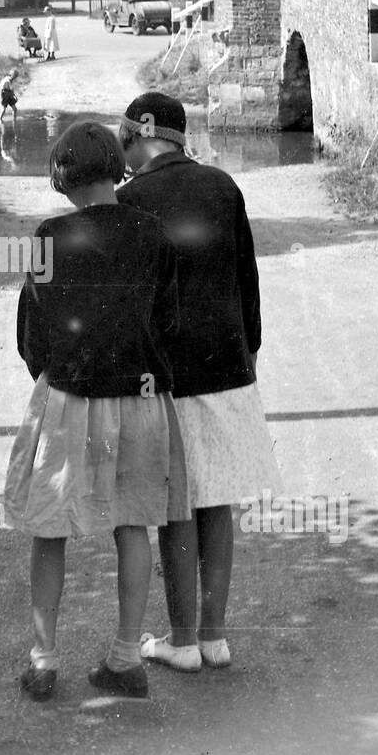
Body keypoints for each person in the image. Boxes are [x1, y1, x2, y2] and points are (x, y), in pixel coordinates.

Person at [4, 121, 189, 701]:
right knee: (134, 523)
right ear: (116, 165)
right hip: (140, 400)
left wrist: (54, 375)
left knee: (49, 528)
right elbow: (170, 321)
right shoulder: (153, 233)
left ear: (61, 178)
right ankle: (126, 655)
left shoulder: (48, 238)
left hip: (71, 400)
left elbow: (30, 335)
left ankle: (43, 659)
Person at [116, 92, 282, 673]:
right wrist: (251, 349)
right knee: (220, 500)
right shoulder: (223, 186)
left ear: (143, 131)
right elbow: (247, 276)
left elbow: (130, 300)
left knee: (178, 503)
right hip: (230, 364)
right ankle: (215, 637)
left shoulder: (130, 199)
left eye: (125, 138)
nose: (124, 152)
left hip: (165, 376)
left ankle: (181, 641)